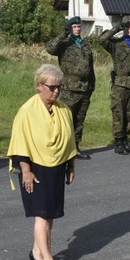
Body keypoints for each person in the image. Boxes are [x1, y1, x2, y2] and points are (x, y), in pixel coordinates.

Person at [7, 64, 77, 260]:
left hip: (56, 167)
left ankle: (36, 251)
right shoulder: (27, 111)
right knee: (41, 215)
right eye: (51, 87)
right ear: (39, 86)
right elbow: (20, 142)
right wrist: (25, 171)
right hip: (34, 168)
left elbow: (69, 139)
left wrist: (70, 165)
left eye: (59, 87)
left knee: (50, 215)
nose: (56, 92)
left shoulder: (63, 110)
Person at [45, 16, 96, 160]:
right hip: (70, 88)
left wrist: (92, 85)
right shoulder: (65, 43)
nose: (78, 29)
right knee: (64, 119)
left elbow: (90, 66)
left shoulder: (85, 44)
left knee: (79, 120)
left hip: (85, 87)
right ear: (69, 28)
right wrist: (63, 34)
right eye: (74, 27)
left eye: (79, 26)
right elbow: (50, 48)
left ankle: (75, 147)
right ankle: (60, 148)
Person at [99, 15, 130, 155]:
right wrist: (117, 27)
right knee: (119, 113)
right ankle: (118, 142)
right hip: (119, 84)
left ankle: (125, 140)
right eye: (127, 27)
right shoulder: (116, 44)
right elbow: (102, 39)